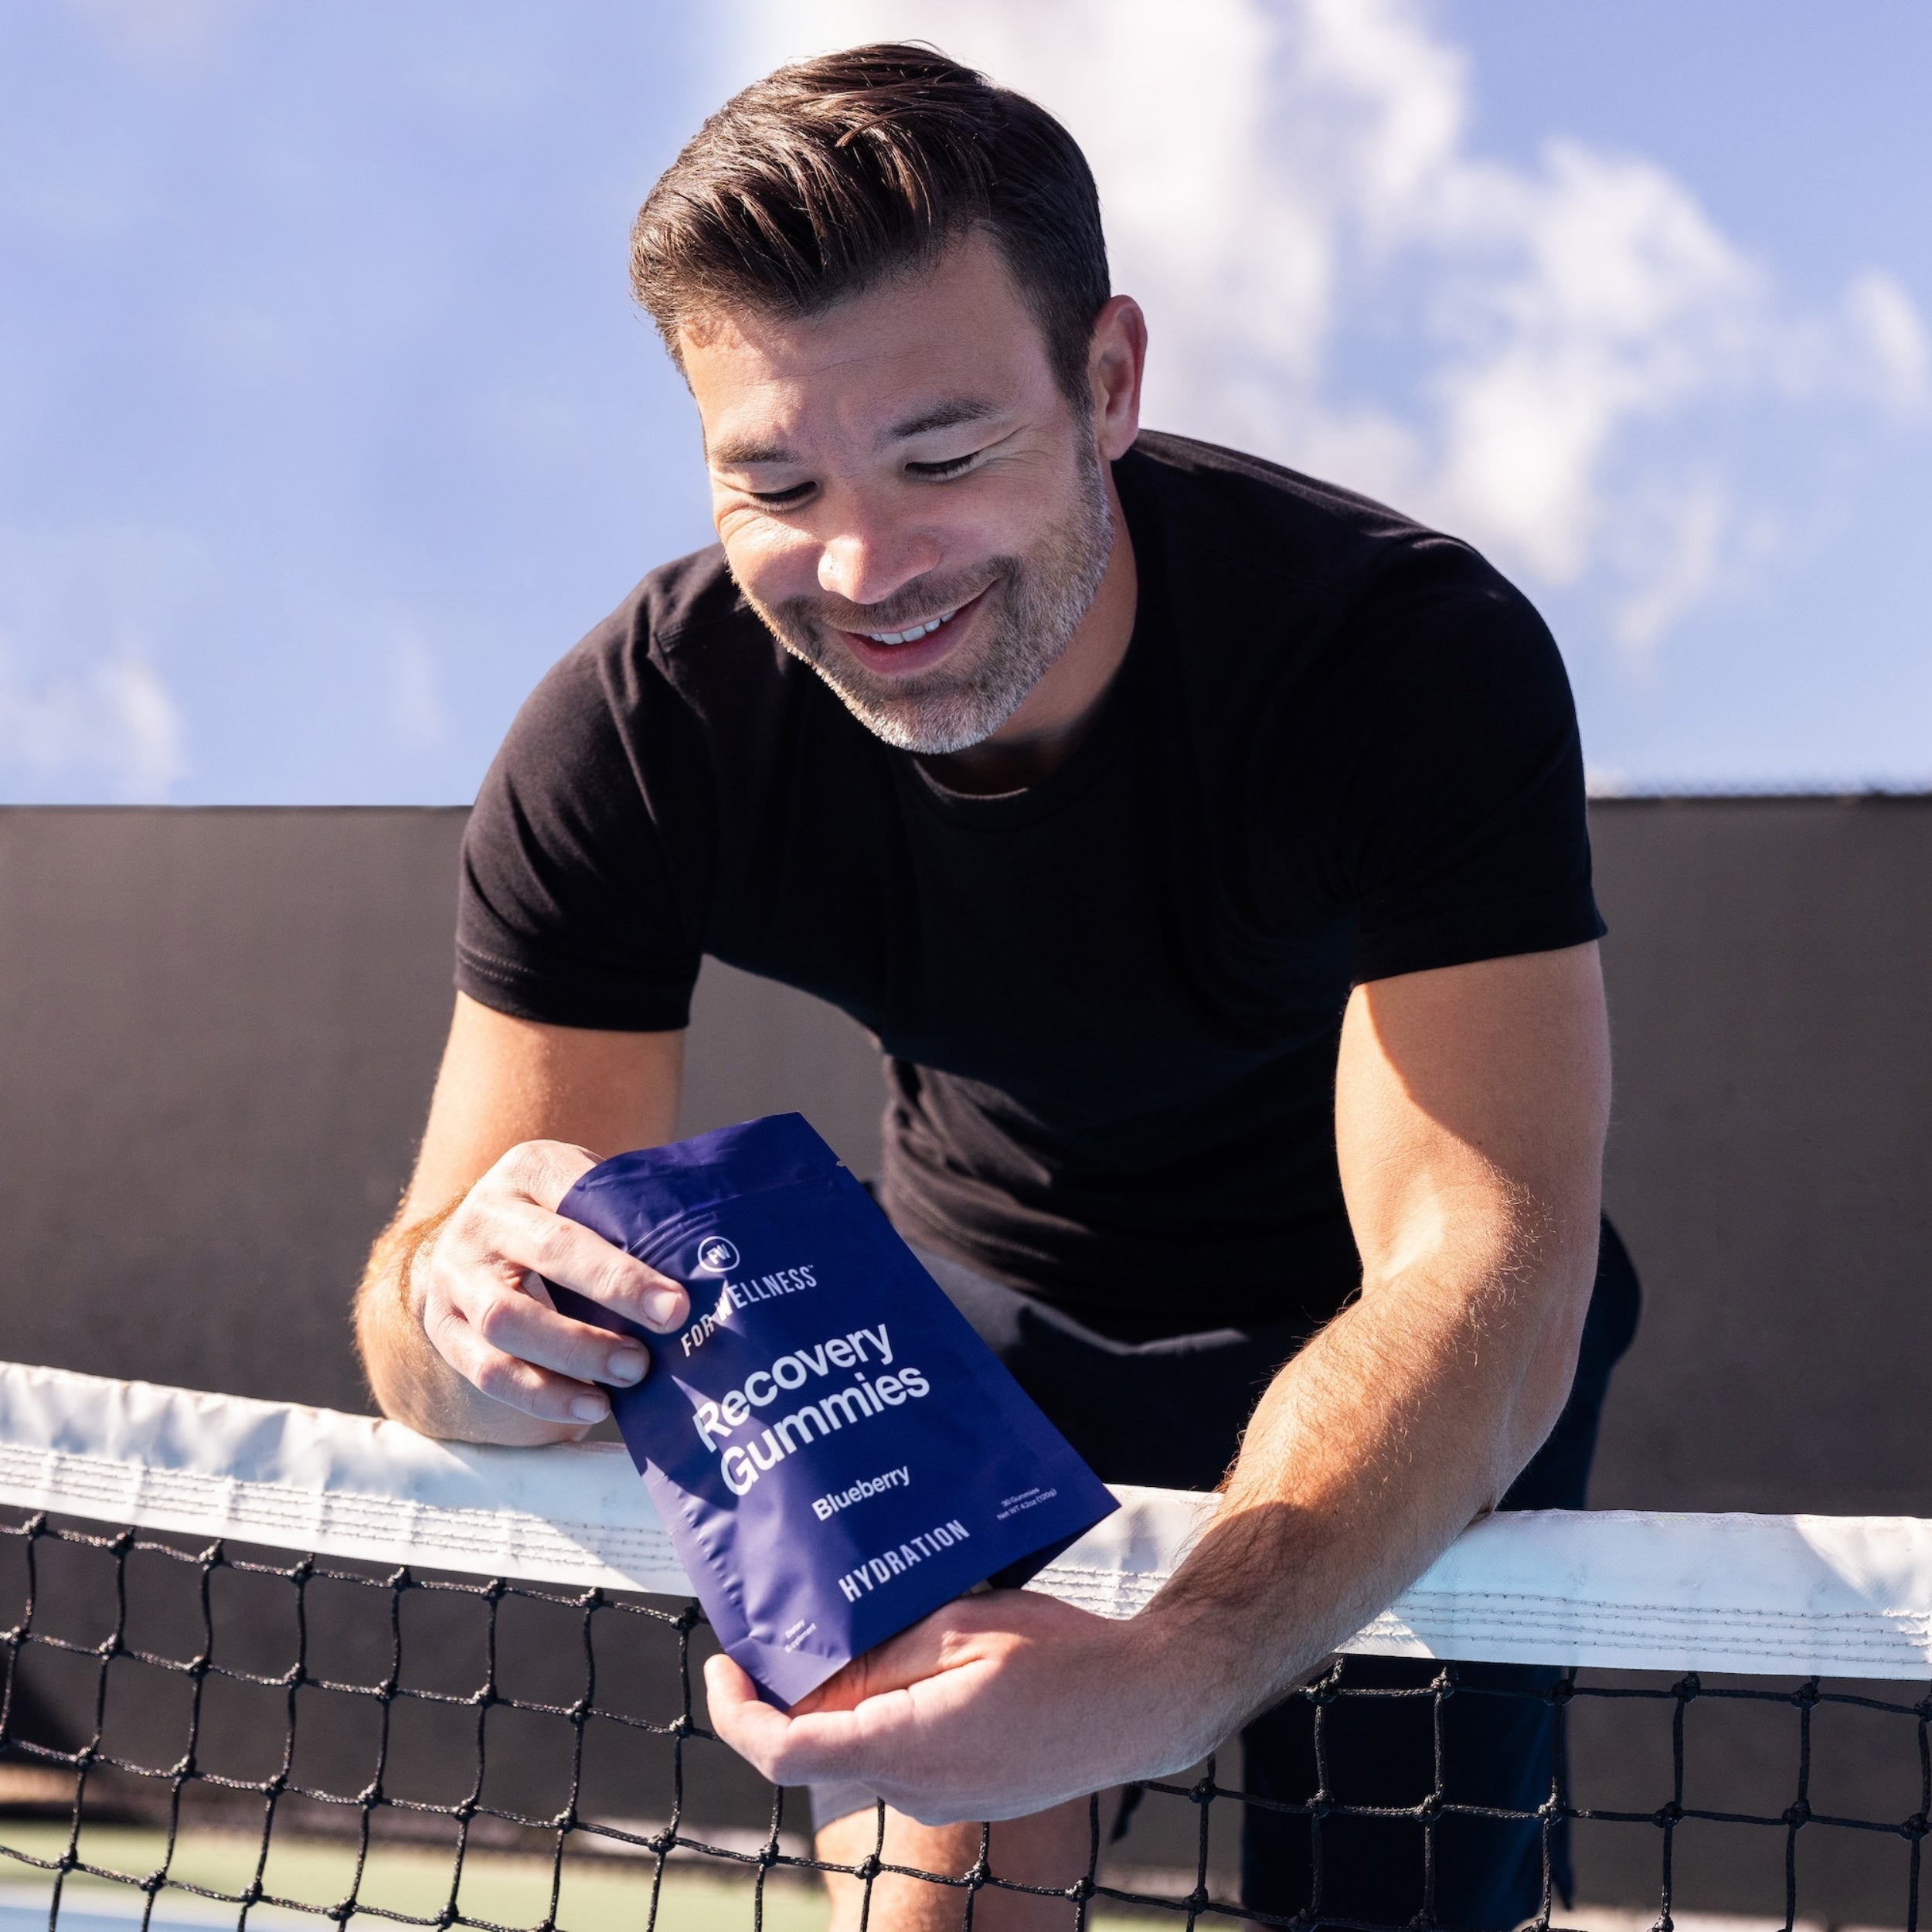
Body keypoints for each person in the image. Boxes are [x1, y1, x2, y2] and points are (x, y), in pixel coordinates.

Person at [354, 44, 1639, 1932]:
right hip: (973, 1326)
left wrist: (1173, 1663)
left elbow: (1482, 1261)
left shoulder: (1403, 661)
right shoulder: (631, 735)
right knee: (931, 1909)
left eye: (943, 453)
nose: (863, 565)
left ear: (1106, 382)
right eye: (774, 478)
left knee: (1389, 1914)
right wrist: (466, 1319)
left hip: (1393, 1333)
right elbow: (412, 1322)